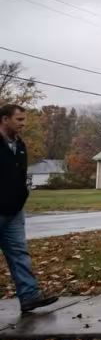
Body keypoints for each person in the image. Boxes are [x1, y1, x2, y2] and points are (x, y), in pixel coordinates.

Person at [0, 104, 58, 313]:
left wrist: (22, 195)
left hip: (14, 211)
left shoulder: (20, 145)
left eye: (24, 120)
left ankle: (29, 296)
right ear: (5, 120)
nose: (23, 124)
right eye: (19, 120)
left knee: (19, 253)